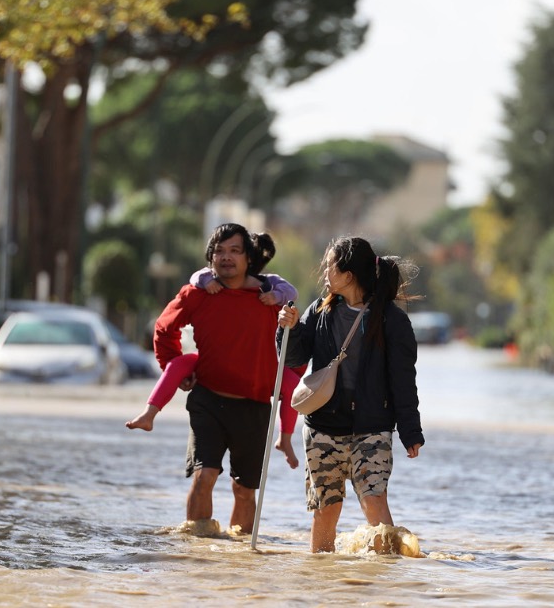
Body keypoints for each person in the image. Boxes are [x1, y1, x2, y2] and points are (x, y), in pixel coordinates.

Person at [277, 236, 424, 554]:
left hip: (372, 428)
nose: (324, 270)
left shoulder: (391, 320)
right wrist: (287, 329)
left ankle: (388, 580)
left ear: (348, 274)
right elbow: (293, 358)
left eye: (329, 264)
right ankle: (323, 580)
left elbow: (403, 380)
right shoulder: (320, 310)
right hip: (322, 428)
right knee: (325, 509)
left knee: (374, 504)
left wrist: (411, 430)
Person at [152, 223, 301, 534]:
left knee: (244, 490)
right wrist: (175, 368)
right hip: (208, 399)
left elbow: (298, 347)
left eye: (235, 251)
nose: (226, 257)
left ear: (249, 258)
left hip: (256, 406)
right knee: (204, 474)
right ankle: (197, 550)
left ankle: (237, 562)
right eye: (219, 251)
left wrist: (291, 321)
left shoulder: (268, 297)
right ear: (210, 257)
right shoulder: (197, 293)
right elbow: (165, 329)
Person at [127, 244, 304, 459]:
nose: (231, 261)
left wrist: (275, 296)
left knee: (293, 384)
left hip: (259, 369)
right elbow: (196, 277)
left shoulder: (269, 283)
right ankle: (149, 413)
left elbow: (291, 293)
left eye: (238, 254)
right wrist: (208, 282)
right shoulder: (211, 281)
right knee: (179, 363)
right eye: (223, 253)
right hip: (214, 365)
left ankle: (285, 439)